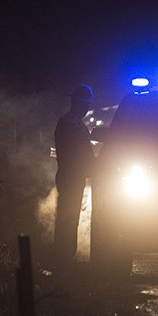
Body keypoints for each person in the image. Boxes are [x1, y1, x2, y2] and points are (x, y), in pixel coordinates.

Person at [52, 84, 95, 269]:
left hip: (72, 176)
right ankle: (63, 256)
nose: (86, 108)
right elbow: (75, 153)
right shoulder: (70, 124)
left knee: (69, 216)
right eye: (84, 104)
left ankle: (65, 255)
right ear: (78, 104)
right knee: (67, 217)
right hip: (71, 176)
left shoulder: (74, 123)